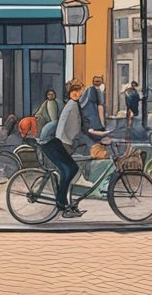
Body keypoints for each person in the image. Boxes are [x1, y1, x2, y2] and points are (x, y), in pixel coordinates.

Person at [39, 80, 85, 218]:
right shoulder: (70, 106)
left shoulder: (75, 105)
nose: (77, 94)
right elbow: (61, 126)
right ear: (70, 93)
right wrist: (64, 144)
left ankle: (66, 202)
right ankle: (62, 203)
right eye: (74, 91)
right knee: (69, 169)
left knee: (70, 170)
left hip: (61, 142)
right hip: (55, 143)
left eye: (79, 91)